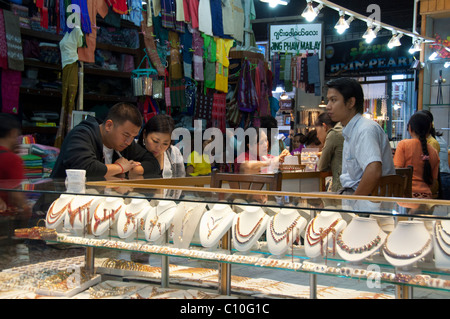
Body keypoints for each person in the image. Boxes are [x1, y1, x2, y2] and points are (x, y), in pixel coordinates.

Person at [51, 102, 161, 180]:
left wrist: (134, 169)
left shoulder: (125, 144)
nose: (129, 141)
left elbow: (153, 164)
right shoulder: (82, 134)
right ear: (109, 125)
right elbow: (85, 169)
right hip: (60, 204)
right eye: (126, 135)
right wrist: (120, 168)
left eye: (133, 137)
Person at [326, 77, 395, 195]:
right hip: (353, 196)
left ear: (350, 103)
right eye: (328, 100)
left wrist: (355, 203)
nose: (328, 106)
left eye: (333, 100)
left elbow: (373, 171)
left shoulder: (365, 130)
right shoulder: (351, 130)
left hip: (370, 205)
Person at [394, 112, 439, 198]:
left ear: (410, 128)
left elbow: (398, 172)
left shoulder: (403, 145)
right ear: (429, 129)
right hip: (426, 198)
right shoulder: (434, 152)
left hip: (405, 197)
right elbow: (433, 181)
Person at [0, 114, 31, 220]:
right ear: (13, 133)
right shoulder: (12, 159)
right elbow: (16, 196)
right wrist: (27, 209)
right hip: (4, 221)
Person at [315, 112, 344, 192]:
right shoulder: (345, 130)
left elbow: (321, 166)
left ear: (324, 127)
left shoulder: (333, 134)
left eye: (317, 131)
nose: (317, 136)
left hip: (341, 188)